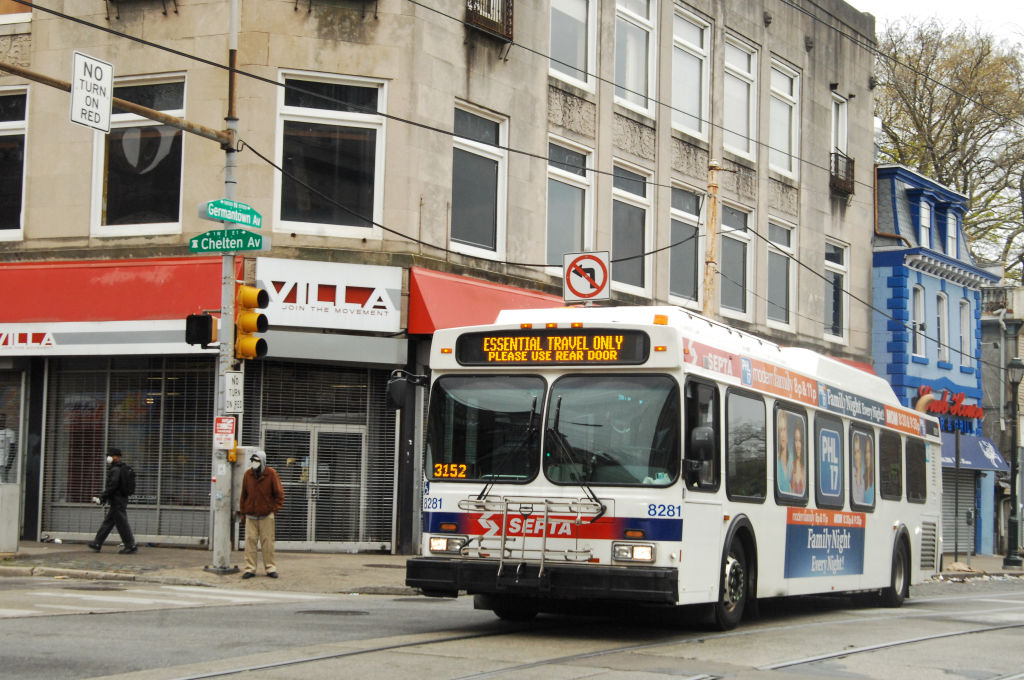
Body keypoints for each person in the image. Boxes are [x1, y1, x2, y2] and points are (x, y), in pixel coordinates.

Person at [239, 448, 285, 579]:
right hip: (251, 514)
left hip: (266, 514)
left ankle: (270, 568)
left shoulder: (271, 474)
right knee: (250, 543)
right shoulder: (248, 474)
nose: (254, 463)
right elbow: (244, 495)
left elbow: (279, 494)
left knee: (268, 542)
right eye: (253, 460)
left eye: (257, 461)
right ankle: (250, 568)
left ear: (263, 461)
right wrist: (243, 512)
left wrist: (273, 510)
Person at [87, 447, 137, 554]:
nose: (108, 457)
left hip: (117, 500)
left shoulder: (116, 469)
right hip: (120, 499)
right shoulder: (120, 468)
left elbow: (112, 486)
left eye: (110, 455)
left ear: (116, 457)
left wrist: (102, 497)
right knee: (108, 522)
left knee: (122, 524)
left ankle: (130, 545)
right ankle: (97, 543)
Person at [776, 411, 791, 494]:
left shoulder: (792, 461)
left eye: (784, 429)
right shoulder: (775, 462)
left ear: (787, 431)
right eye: (780, 430)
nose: (782, 434)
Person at [790, 424, 806, 495]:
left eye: (800, 440)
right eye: (796, 440)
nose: (798, 445)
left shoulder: (806, 468)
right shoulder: (792, 466)